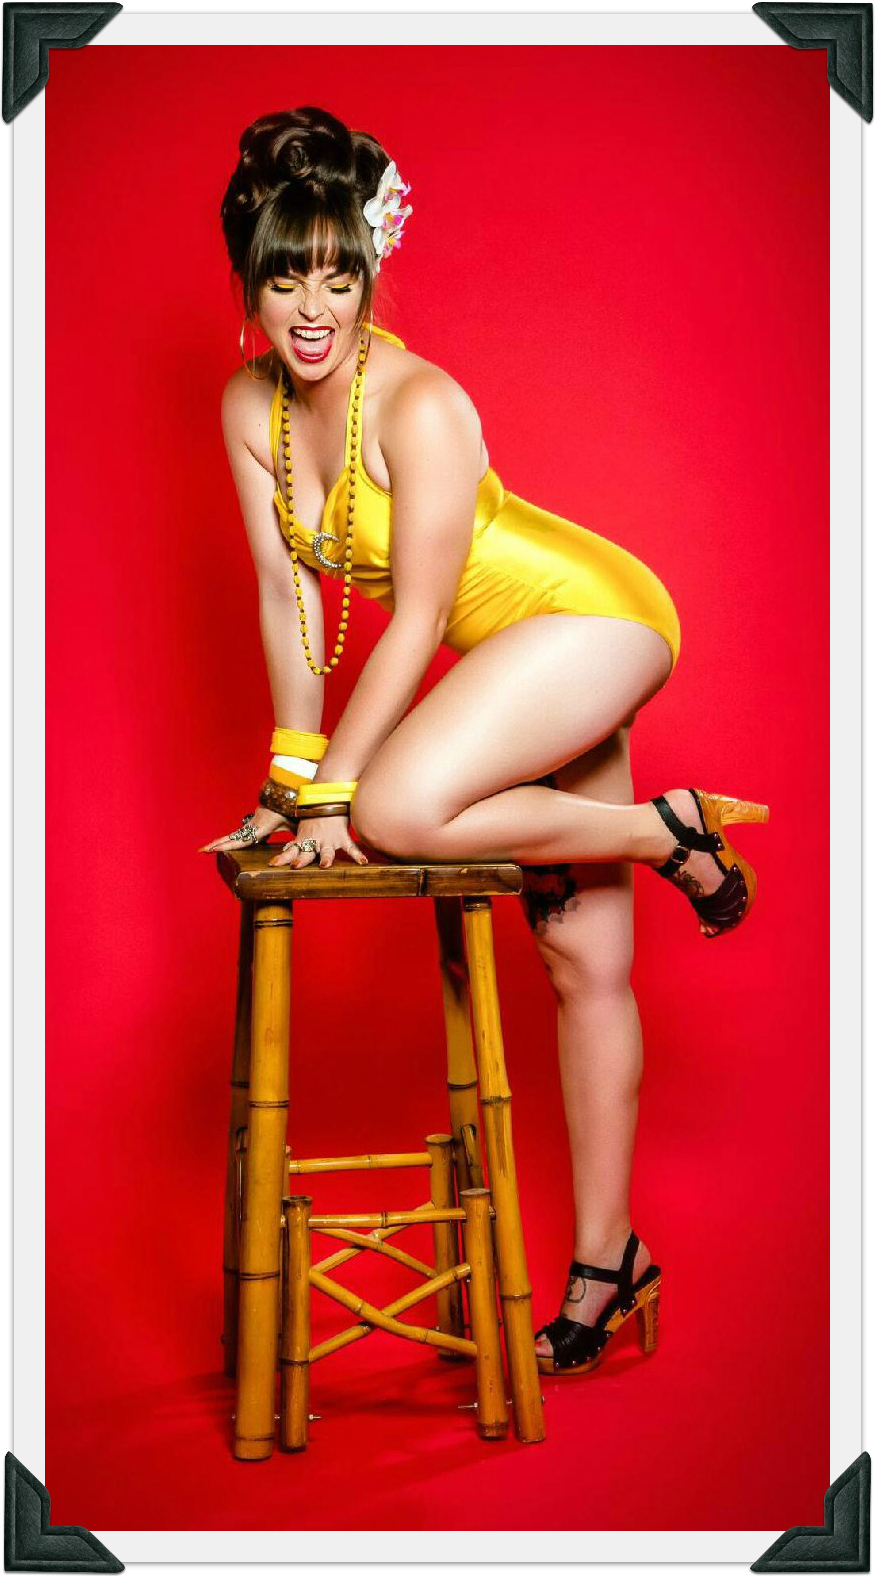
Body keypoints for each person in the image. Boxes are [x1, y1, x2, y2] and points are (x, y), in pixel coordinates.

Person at [200, 105, 769, 1378]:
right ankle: (609, 1263)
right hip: (513, 667)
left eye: (338, 277)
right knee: (581, 960)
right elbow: (286, 602)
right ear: (249, 276)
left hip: (591, 619)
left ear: (369, 272)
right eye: (286, 278)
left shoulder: (421, 403)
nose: (312, 310)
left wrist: (336, 793)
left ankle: (660, 831)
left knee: (396, 807)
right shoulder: (245, 405)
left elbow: (411, 620)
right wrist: (289, 783)